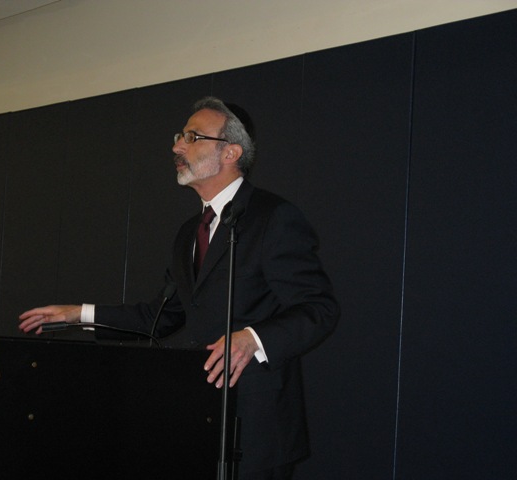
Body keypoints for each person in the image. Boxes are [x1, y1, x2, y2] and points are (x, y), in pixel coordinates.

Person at [19, 97, 339, 480]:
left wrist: (253, 338)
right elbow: (160, 317)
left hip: (257, 430)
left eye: (191, 137)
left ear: (230, 152)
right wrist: (78, 314)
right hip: (198, 420)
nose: (176, 147)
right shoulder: (191, 232)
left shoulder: (274, 217)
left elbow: (319, 308)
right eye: (178, 137)